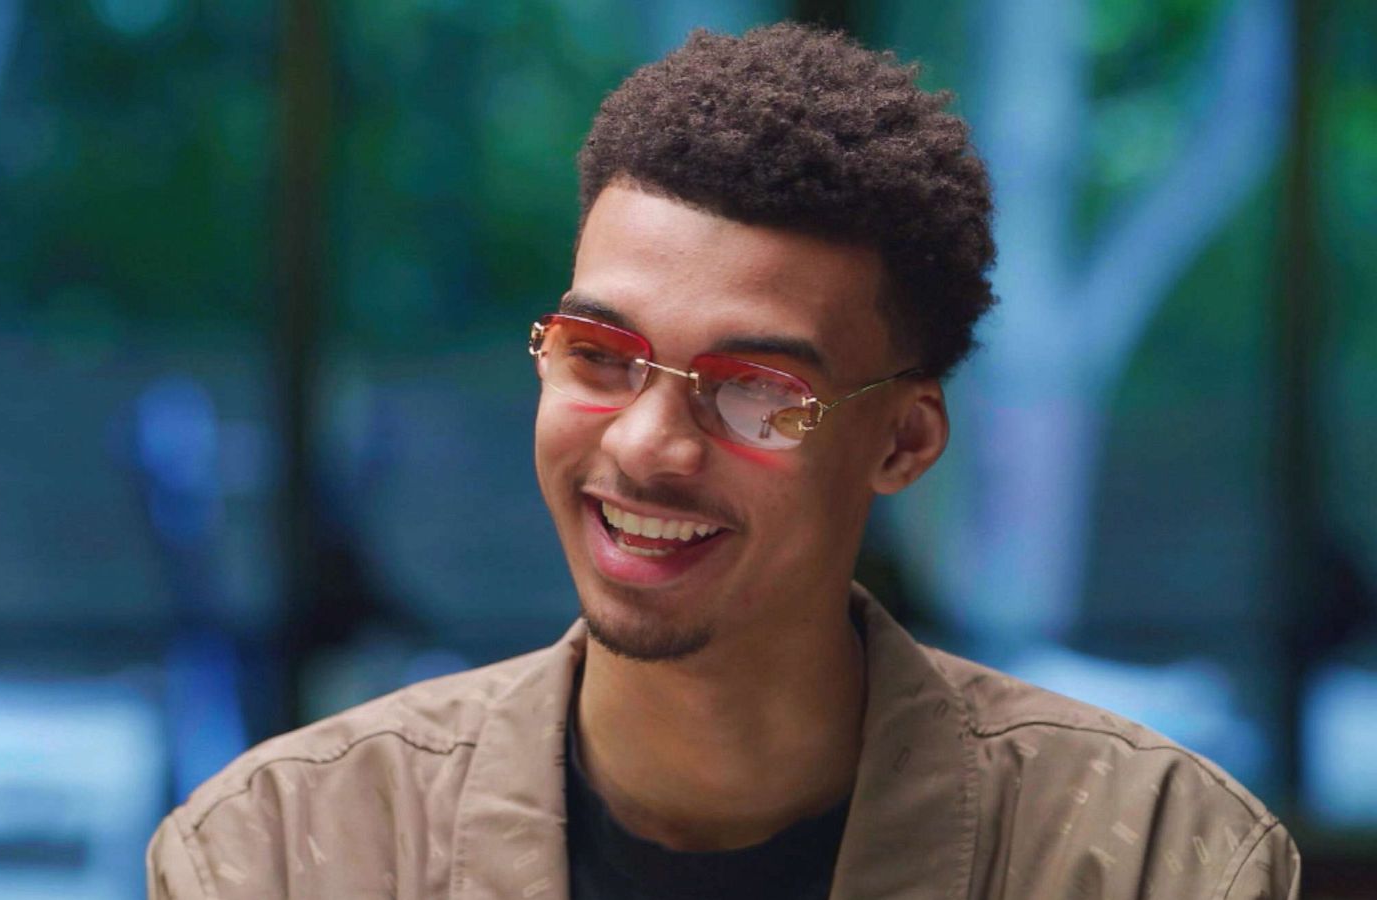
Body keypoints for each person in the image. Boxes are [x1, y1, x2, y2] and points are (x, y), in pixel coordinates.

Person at [147, 23, 1299, 900]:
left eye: (757, 389)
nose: (647, 445)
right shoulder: (290, 848)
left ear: (901, 441)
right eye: (601, 354)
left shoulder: (1152, 856)